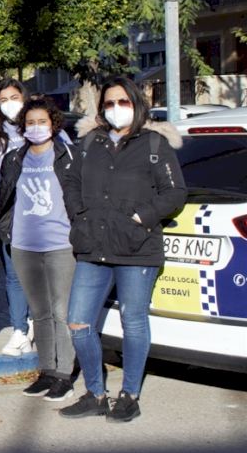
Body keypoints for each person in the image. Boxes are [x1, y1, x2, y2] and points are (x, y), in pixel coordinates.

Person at [59, 76, 185, 422]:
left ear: (136, 104)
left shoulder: (154, 143)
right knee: (78, 322)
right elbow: (71, 180)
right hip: (93, 245)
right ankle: (96, 394)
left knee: (133, 320)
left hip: (136, 247)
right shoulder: (91, 142)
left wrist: (141, 217)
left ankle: (129, 395)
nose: (116, 108)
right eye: (110, 103)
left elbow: (175, 193)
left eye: (123, 102)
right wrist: (78, 215)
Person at [0, 96, 78, 403]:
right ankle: (47, 369)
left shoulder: (68, 156)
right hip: (24, 246)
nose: (36, 127)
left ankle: (64, 374)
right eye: (30, 123)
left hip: (60, 245)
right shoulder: (14, 159)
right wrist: (5, 232)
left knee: (60, 312)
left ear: (53, 124)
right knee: (40, 313)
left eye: (42, 121)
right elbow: (6, 199)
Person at [0, 78, 35, 357]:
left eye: (15, 97)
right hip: (4, 217)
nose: (9, 104)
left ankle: (36, 322)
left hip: (37, 216)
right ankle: (19, 329)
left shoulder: (38, 128)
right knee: (14, 277)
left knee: (38, 275)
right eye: (3, 100)